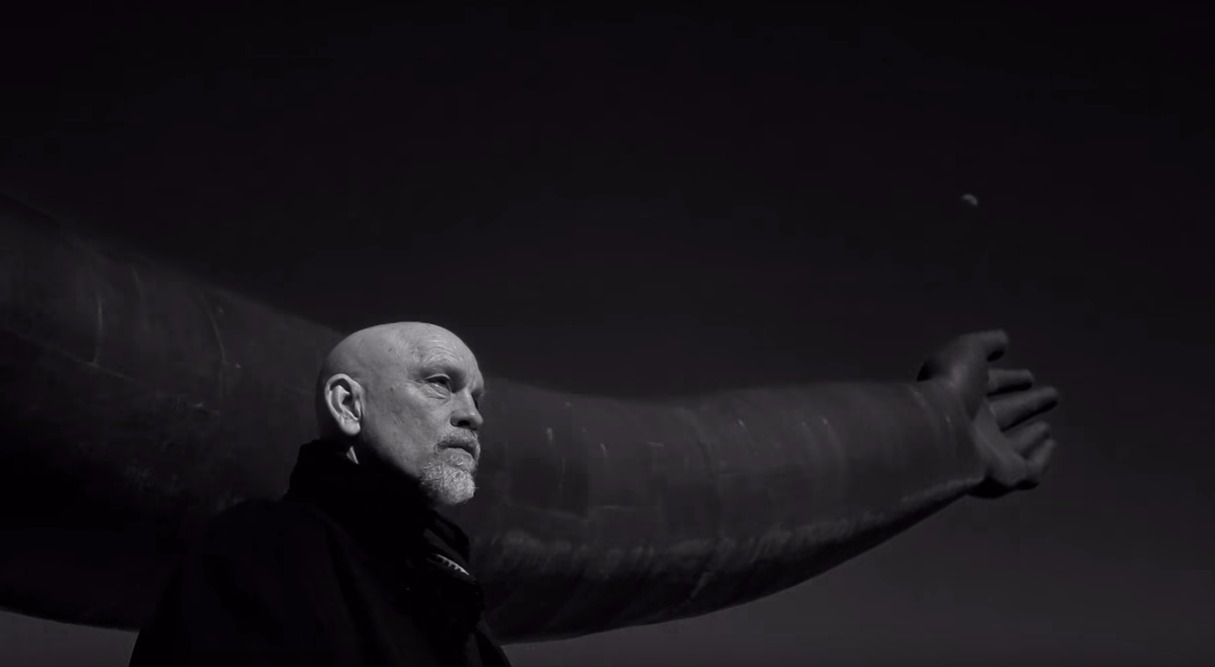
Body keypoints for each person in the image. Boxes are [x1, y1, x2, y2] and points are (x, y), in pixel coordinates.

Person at [129, 322, 510, 667]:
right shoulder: (258, 549)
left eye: (476, 398)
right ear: (348, 405)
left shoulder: (447, 567)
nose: (473, 416)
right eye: (441, 383)